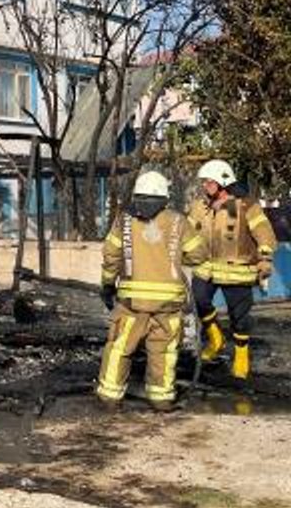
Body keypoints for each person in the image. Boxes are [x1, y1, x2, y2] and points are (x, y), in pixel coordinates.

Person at [96, 171, 206, 410]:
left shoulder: (123, 220)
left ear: (136, 194)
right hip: (169, 305)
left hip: (131, 304)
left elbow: (111, 256)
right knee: (164, 352)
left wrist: (107, 284)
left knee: (119, 348)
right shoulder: (178, 221)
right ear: (165, 198)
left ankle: (109, 398)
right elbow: (199, 254)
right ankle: (161, 399)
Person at [189, 159, 276, 380]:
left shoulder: (246, 205)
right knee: (199, 300)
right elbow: (186, 231)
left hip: (238, 271)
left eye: (209, 181)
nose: (205, 186)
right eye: (204, 182)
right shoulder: (200, 206)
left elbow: (264, 231)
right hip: (205, 268)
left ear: (222, 182)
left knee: (240, 316)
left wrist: (265, 258)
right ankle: (216, 338)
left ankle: (241, 355)